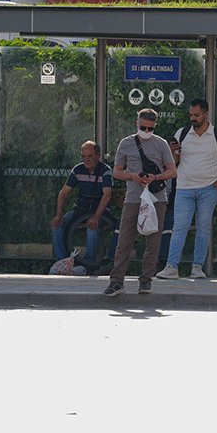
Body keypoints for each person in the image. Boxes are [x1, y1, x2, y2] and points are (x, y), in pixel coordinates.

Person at [156, 98, 217, 280]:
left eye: (196, 115)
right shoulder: (183, 133)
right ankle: (171, 266)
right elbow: (174, 163)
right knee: (180, 227)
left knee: (203, 228)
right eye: (190, 115)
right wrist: (173, 152)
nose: (193, 118)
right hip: (184, 188)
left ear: (205, 114)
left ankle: (197, 267)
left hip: (209, 188)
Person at [103, 109, 176, 297]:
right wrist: (132, 176)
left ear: (155, 127)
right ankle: (117, 281)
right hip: (133, 198)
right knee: (124, 240)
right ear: (137, 124)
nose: (146, 131)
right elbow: (116, 171)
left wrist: (156, 177)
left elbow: (172, 171)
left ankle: (146, 280)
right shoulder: (126, 143)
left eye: (150, 128)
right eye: (143, 127)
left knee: (153, 242)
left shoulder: (161, 144)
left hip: (156, 198)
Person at [51, 140, 117, 276]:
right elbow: (63, 193)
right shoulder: (78, 169)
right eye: (84, 157)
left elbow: (107, 195)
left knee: (92, 228)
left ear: (98, 156)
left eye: (90, 156)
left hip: (100, 211)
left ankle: (88, 265)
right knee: (56, 225)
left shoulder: (105, 171)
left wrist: (96, 217)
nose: (86, 160)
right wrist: (59, 214)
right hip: (81, 210)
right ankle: (65, 263)